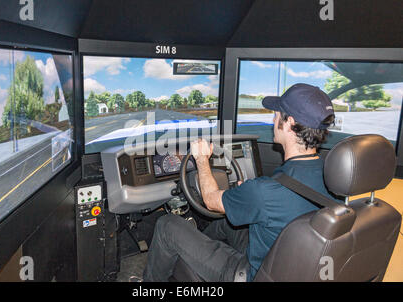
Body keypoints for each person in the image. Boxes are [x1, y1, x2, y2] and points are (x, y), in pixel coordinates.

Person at [142, 83, 338, 282]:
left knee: (167, 225)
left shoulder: (264, 191)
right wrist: (249, 195)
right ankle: (190, 255)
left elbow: (210, 200)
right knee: (224, 222)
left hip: (252, 275)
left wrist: (202, 160)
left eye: (277, 114)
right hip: (286, 262)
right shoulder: (333, 178)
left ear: (290, 123)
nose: (273, 118)